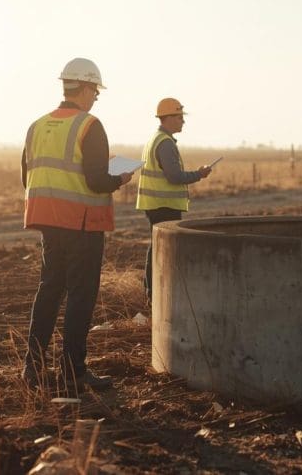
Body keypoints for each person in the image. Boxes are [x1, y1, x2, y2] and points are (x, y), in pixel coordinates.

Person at [21, 57, 133, 394]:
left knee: (49, 290)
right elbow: (97, 181)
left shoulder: (37, 125)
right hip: (82, 223)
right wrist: (121, 177)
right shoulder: (89, 125)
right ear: (83, 88)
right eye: (95, 90)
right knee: (80, 296)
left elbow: (28, 175)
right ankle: (73, 371)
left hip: (47, 220)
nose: (96, 97)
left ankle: (33, 367)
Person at [136, 98, 211, 304]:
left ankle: (152, 292)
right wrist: (199, 174)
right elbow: (174, 177)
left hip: (155, 204)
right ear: (167, 118)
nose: (182, 122)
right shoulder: (165, 143)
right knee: (164, 249)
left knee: (156, 246)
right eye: (179, 117)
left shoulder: (156, 139)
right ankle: (156, 294)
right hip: (163, 205)